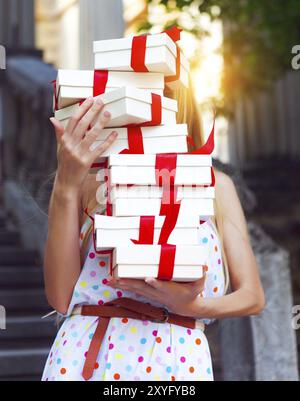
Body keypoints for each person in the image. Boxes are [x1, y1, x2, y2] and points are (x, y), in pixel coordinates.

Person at [41, 84, 265, 381]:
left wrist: (194, 306)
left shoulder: (215, 185)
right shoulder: (92, 183)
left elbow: (252, 295)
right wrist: (66, 183)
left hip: (178, 359)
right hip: (89, 354)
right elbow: (60, 297)